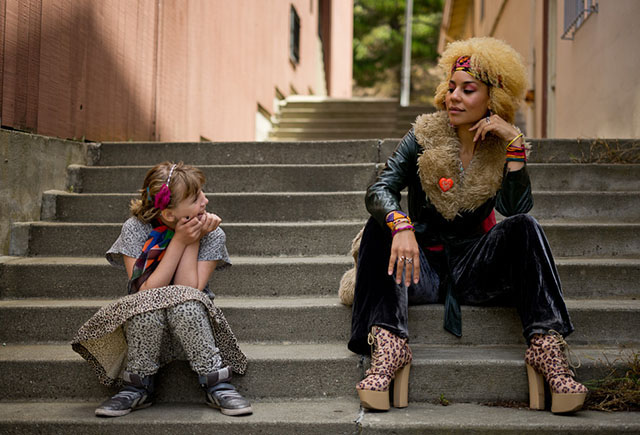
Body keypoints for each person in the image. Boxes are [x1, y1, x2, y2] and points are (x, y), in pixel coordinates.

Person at [348, 37, 587, 414]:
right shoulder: (423, 135)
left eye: (468, 90)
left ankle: (546, 348)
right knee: (381, 226)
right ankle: (390, 346)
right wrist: (401, 225)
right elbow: (380, 188)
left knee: (525, 226)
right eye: (451, 88)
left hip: (474, 269)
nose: (453, 97)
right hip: (418, 268)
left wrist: (515, 148)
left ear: (493, 99)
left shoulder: (500, 144)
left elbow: (514, 207)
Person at [72, 161, 252, 417]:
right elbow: (146, 292)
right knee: (146, 307)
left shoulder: (212, 233)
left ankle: (216, 382)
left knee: (186, 305)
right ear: (169, 214)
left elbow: (189, 289)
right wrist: (179, 240)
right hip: (143, 332)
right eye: (196, 197)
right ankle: (137, 386)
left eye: (202, 193)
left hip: (195, 330)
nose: (206, 200)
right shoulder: (135, 230)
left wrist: (194, 239)